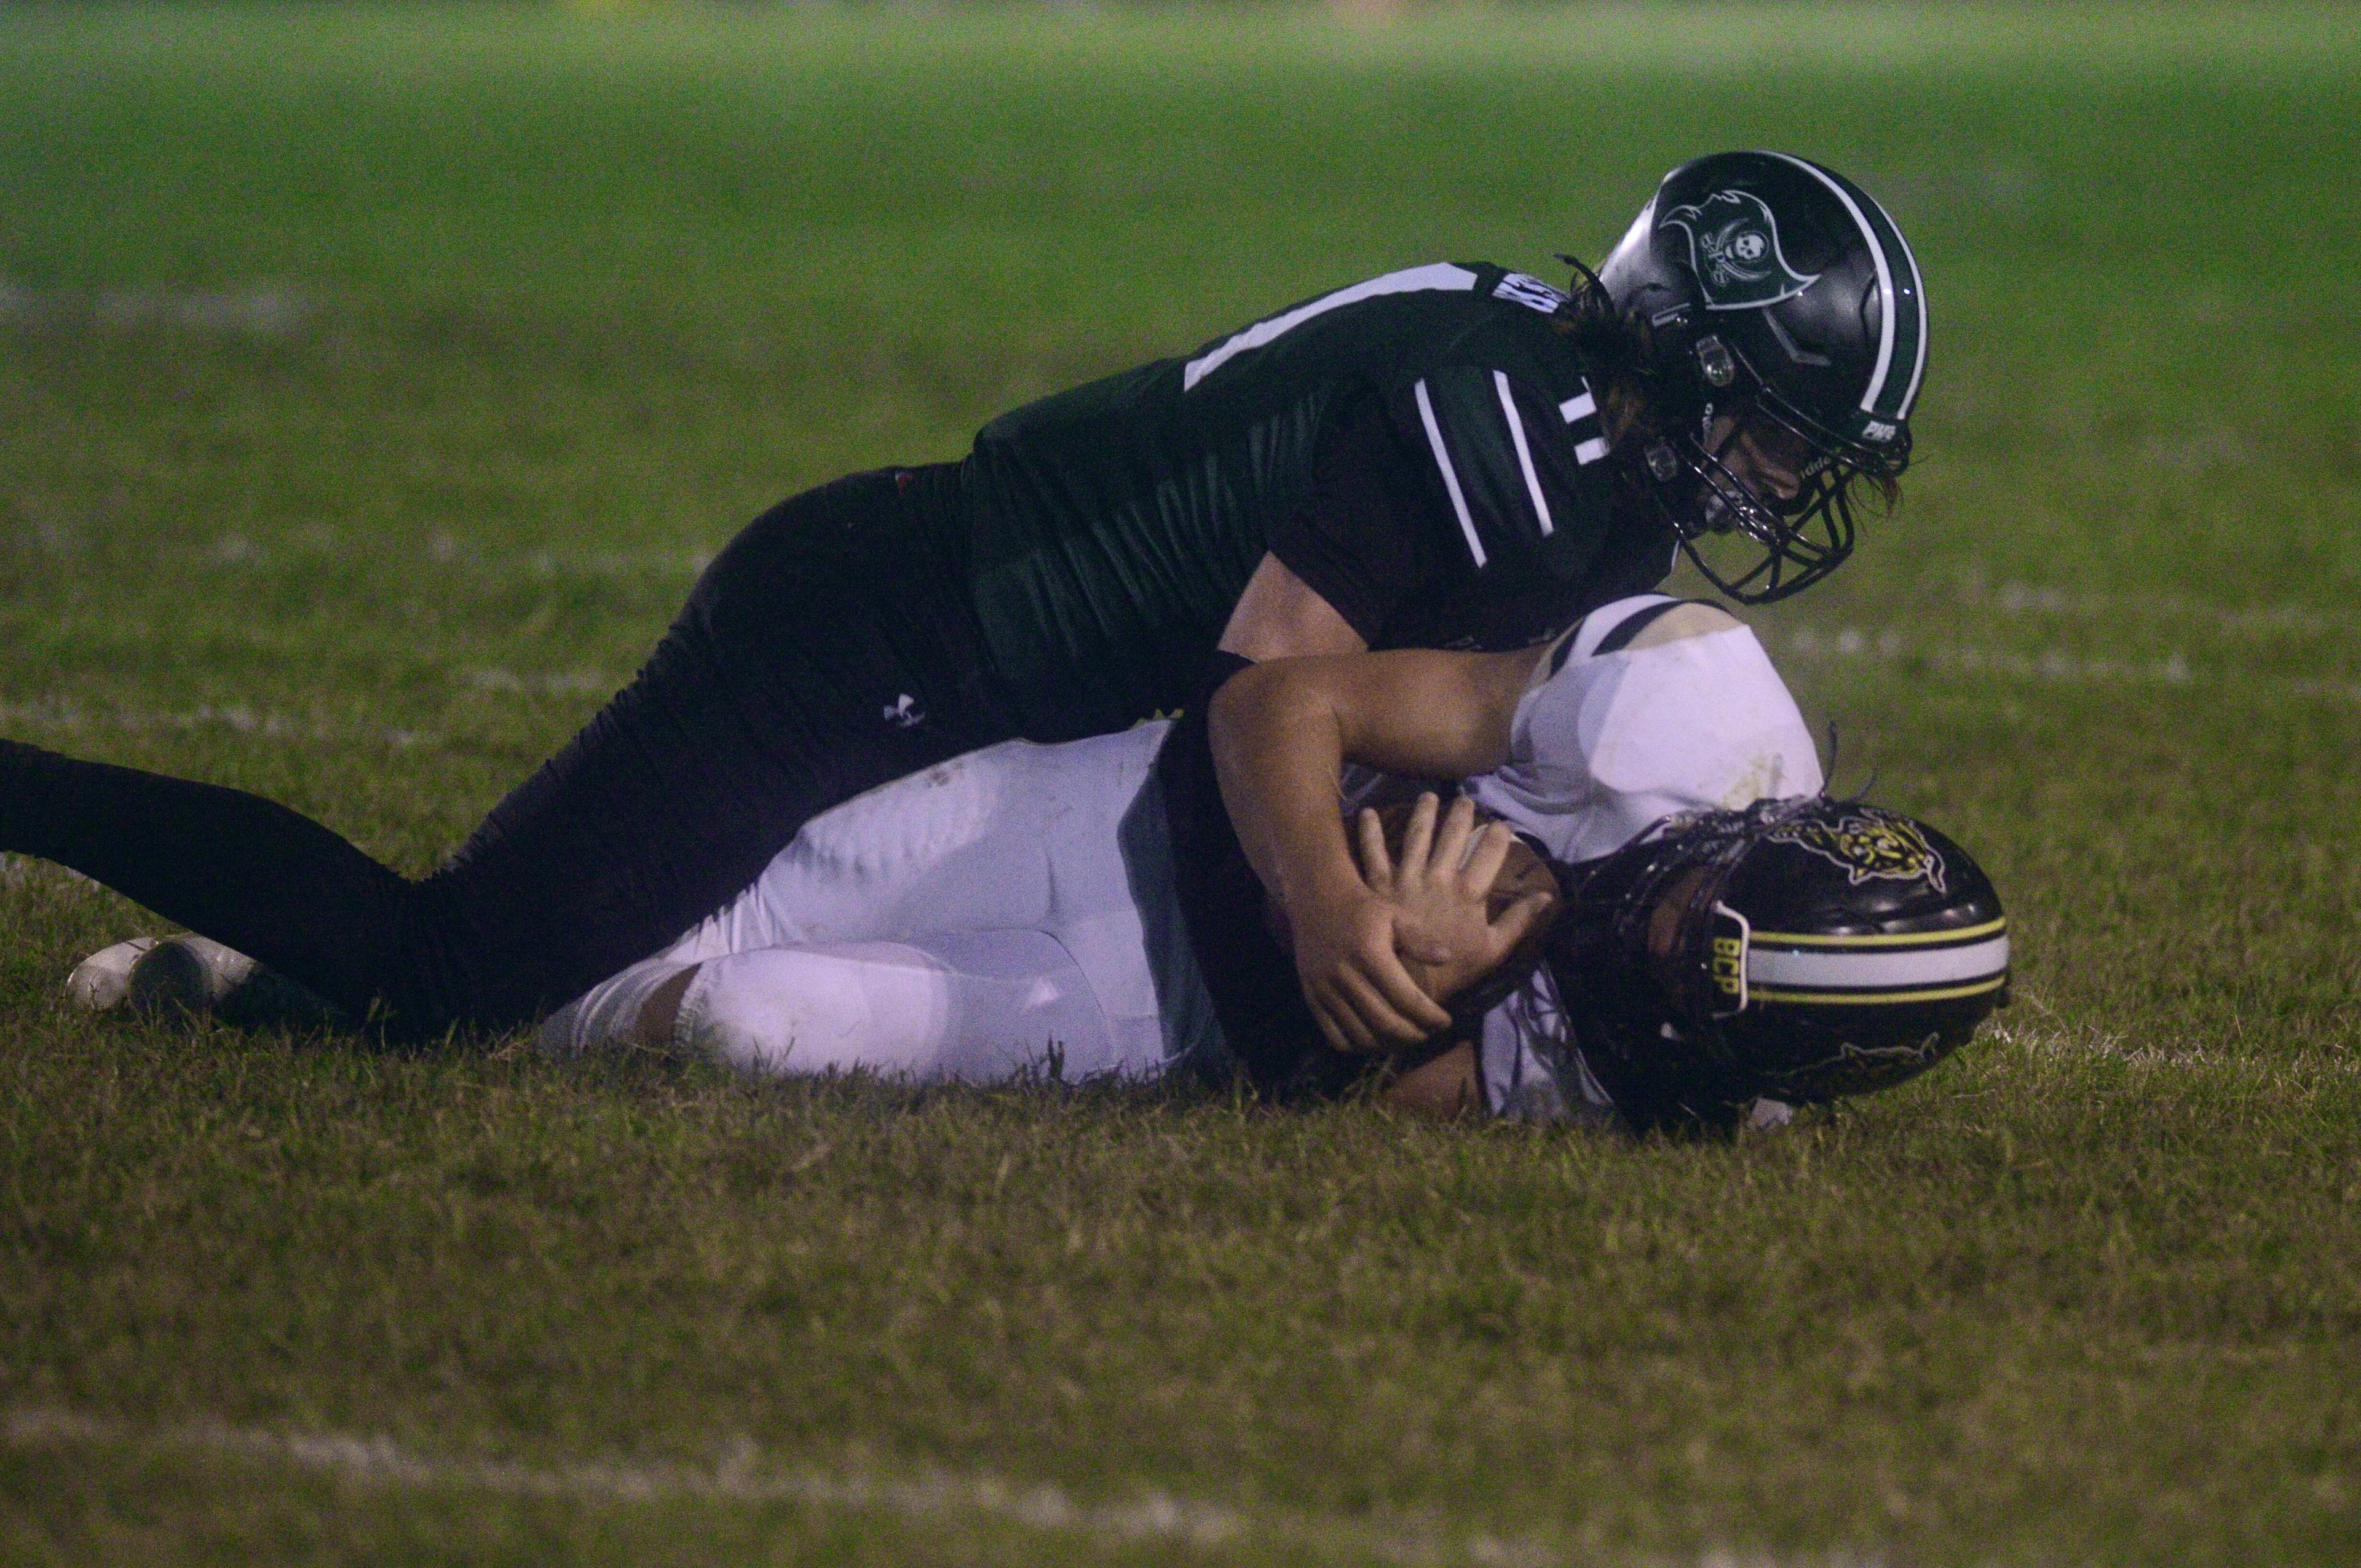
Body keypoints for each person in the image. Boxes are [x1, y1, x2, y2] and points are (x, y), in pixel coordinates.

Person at [3, 152, 1929, 1043]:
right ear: (1682, 356)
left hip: (1009, 675)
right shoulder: (1511, 434)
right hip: (878, 638)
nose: (1780, 484)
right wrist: (1339, 910)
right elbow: (1277, 679)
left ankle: (262, 991)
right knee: (443, 978)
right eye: (1776, 435)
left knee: (612, 969)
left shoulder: (1551, 406)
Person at [395, 595, 1991, 1131]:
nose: (1650, 927)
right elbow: (1284, 698)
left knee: (755, 1024)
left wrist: (1411, 1002)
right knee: (705, 892)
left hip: (1172, 1016)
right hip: (1131, 810)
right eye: (1697, 897)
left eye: (1675, 971)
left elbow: (1401, 1095)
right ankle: (383, 993)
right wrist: (1332, 898)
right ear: (1750, 827)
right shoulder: (1688, 708)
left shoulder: (1720, 1088)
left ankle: (442, 1030)